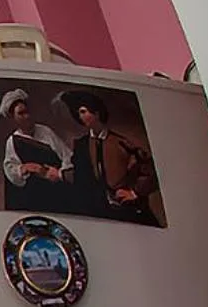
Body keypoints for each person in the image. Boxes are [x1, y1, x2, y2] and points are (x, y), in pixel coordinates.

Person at [61, 87, 160, 224]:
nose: (81, 116)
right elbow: (80, 175)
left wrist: (135, 192)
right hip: (98, 211)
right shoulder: (81, 145)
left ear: (96, 113)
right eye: (78, 113)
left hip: (126, 210)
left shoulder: (121, 143)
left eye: (84, 111)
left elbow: (150, 169)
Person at [0, 88, 73, 212]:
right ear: (13, 118)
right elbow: (10, 169)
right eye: (21, 113)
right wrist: (24, 168)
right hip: (34, 196)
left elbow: (66, 155)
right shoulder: (13, 141)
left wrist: (60, 173)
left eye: (27, 112)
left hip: (55, 190)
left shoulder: (45, 131)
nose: (26, 116)